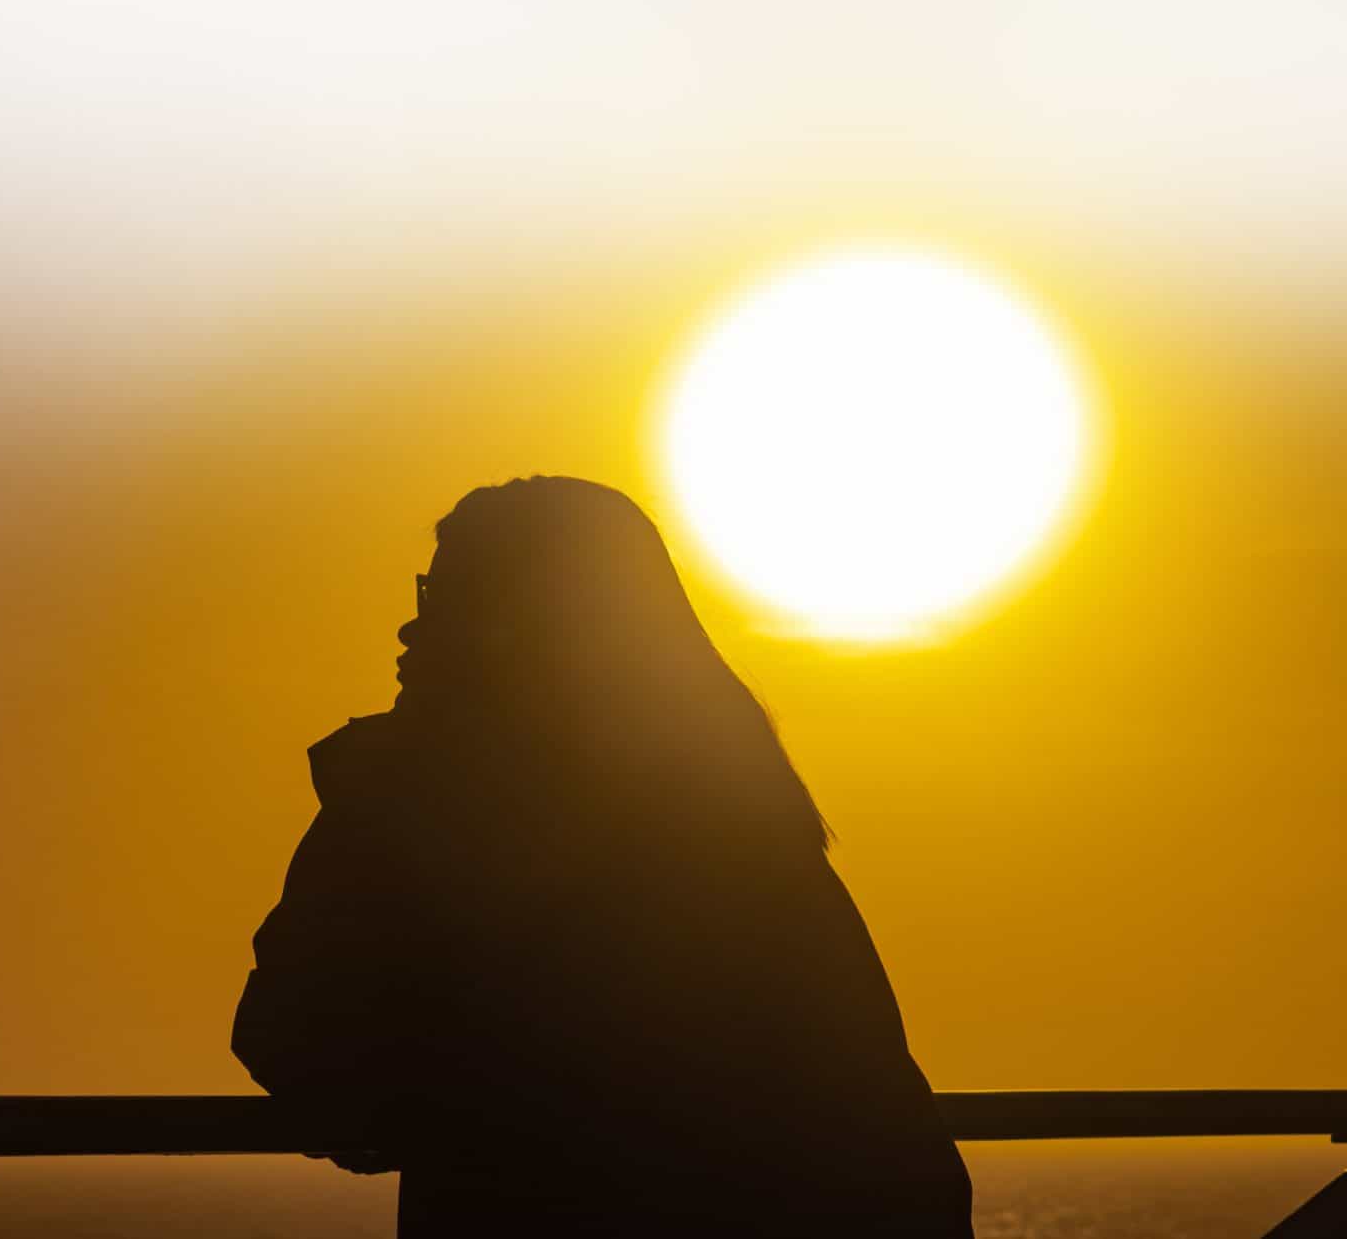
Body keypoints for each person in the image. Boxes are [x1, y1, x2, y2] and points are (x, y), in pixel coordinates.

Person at [230, 475, 973, 1236]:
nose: (410, 631)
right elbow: (880, 1120)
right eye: (428, 590)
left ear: (529, 620)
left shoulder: (407, 805)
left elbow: (294, 1039)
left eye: (447, 596)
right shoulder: (736, 821)